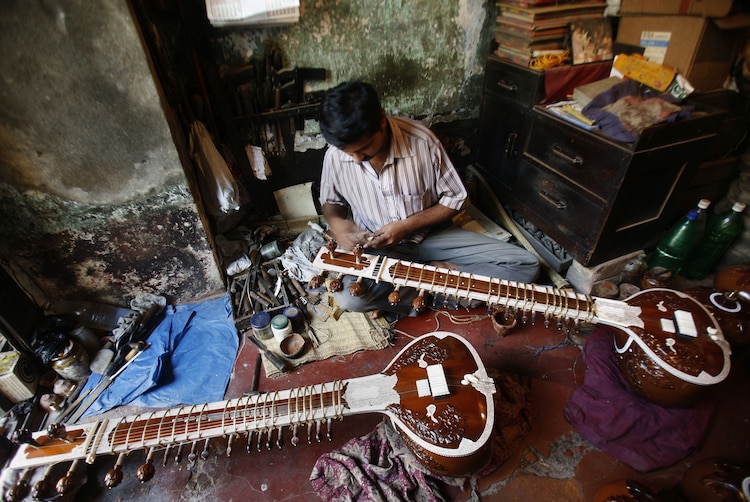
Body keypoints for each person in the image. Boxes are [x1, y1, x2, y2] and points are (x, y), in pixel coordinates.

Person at [317, 81, 540, 318]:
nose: (357, 159)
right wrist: (339, 226)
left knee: (525, 264)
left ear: (381, 120)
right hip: (379, 247)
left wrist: (405, 227)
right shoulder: (335, 156)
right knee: (350, 298)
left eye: (364, 149)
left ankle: (416, 286)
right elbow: (331, 203)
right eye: (348, 152)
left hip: (432, 237)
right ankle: (437, 281)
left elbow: (457, 198)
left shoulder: (422, 142)